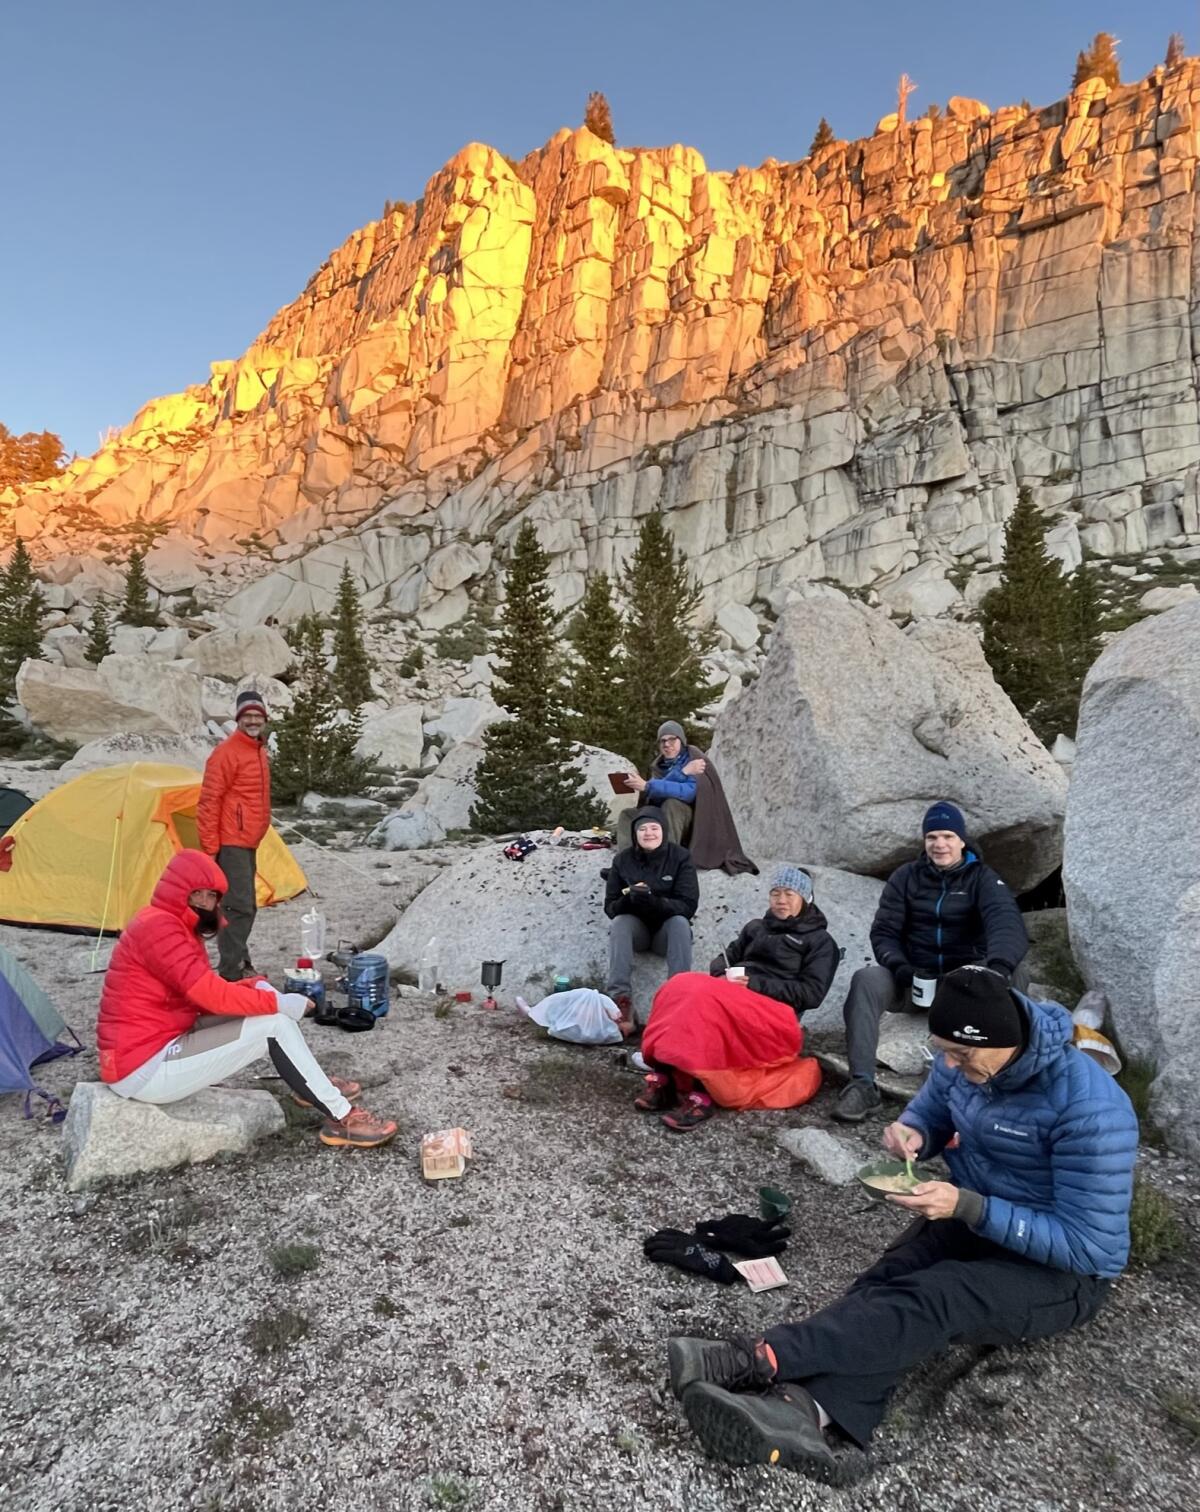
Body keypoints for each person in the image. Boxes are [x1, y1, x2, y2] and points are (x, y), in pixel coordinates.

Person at [666, 965, 1138, 1483]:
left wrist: (970, 1208)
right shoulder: (964, 1063)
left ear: (1008, 1042)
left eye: (964, 1056)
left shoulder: (1090, 1109)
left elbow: (1092, 1247)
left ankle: (758, 1358)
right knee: (887, 1281)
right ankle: (804, 1413)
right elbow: (933, 1111)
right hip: (980, 1216)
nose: (951, 1067)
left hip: (1063, 1273)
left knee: (936, 1296)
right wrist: (914, 1133)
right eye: (945, 1053)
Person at [96, 851, 396, 1148]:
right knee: (274, 1025)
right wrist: (278, 1003)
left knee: (266, 1017)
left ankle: (311, 1086)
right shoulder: (160, 929)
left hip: (154, 1044)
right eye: (216, 899)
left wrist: (255, 986)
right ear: (199, 896)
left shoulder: (167, 924)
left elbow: (198, 992)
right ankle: (343, 1118)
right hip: (143, 1068)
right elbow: (209, 995)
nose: (219, 911)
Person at [833, 800, 1029, 1124]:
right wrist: (901, 968)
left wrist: (995, 972)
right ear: (924, 841)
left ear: (962, 840)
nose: (940, 844)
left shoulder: (982, 879)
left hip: (963, 988)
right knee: (867, 978)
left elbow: (1006, 924)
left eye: (948, 836)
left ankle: (1005, 1077)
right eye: (932, 837)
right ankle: (863, 1084)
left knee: (1017, 972)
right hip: (913, 981)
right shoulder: (905, 877)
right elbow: (884, 931)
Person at [636, 867, 837, 1131]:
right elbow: (722, 959)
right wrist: (725, 973)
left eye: (789, 893)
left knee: (708, 1001)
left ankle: (702, 1094)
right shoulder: (756, 928)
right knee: (678, 985)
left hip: (776, 1015)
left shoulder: (820, 942)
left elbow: (811, 994)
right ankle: (665, 1076)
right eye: (775, 893)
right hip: (735, 995)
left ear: (806, 899)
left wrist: (755, 984)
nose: (781, 899)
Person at [197, 689, 272, 981]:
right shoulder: (226, 753)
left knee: (241, 906)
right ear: (238, 719)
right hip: (231, 842)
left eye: (258, 716)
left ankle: (240, 961)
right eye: (247, 716)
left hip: (247, 841)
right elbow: (208, 801)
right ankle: (230, 973)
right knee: (239, 907)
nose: (253, 721)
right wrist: (211, 850)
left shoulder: (256, 749)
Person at [615, 720, 756, 875]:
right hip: (663, 815)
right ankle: (626, 864)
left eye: (672, 739)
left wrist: (650, 786)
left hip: (694, 822)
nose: (666, 744)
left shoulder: (695, 760)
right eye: (662, 741)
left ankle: (664, 864)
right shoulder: (659, 765)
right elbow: (654, 794)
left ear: (681, 741)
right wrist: (645, 787)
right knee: (628, 815)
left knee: (672, 804)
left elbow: (689, 793)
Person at [604, 806, 698, 1030]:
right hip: (638, 932)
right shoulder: (622, 860)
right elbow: (610, 906)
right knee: (619, 923)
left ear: (664, 831)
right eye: (642, 829)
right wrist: (629, 900)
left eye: (654, 828)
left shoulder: (680, 857)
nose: (648, 833)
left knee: (680, 922)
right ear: (635, 833)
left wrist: (655, 901)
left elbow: (688, 905)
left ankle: (679, 997)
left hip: (665, 934)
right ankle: (621, 1001)